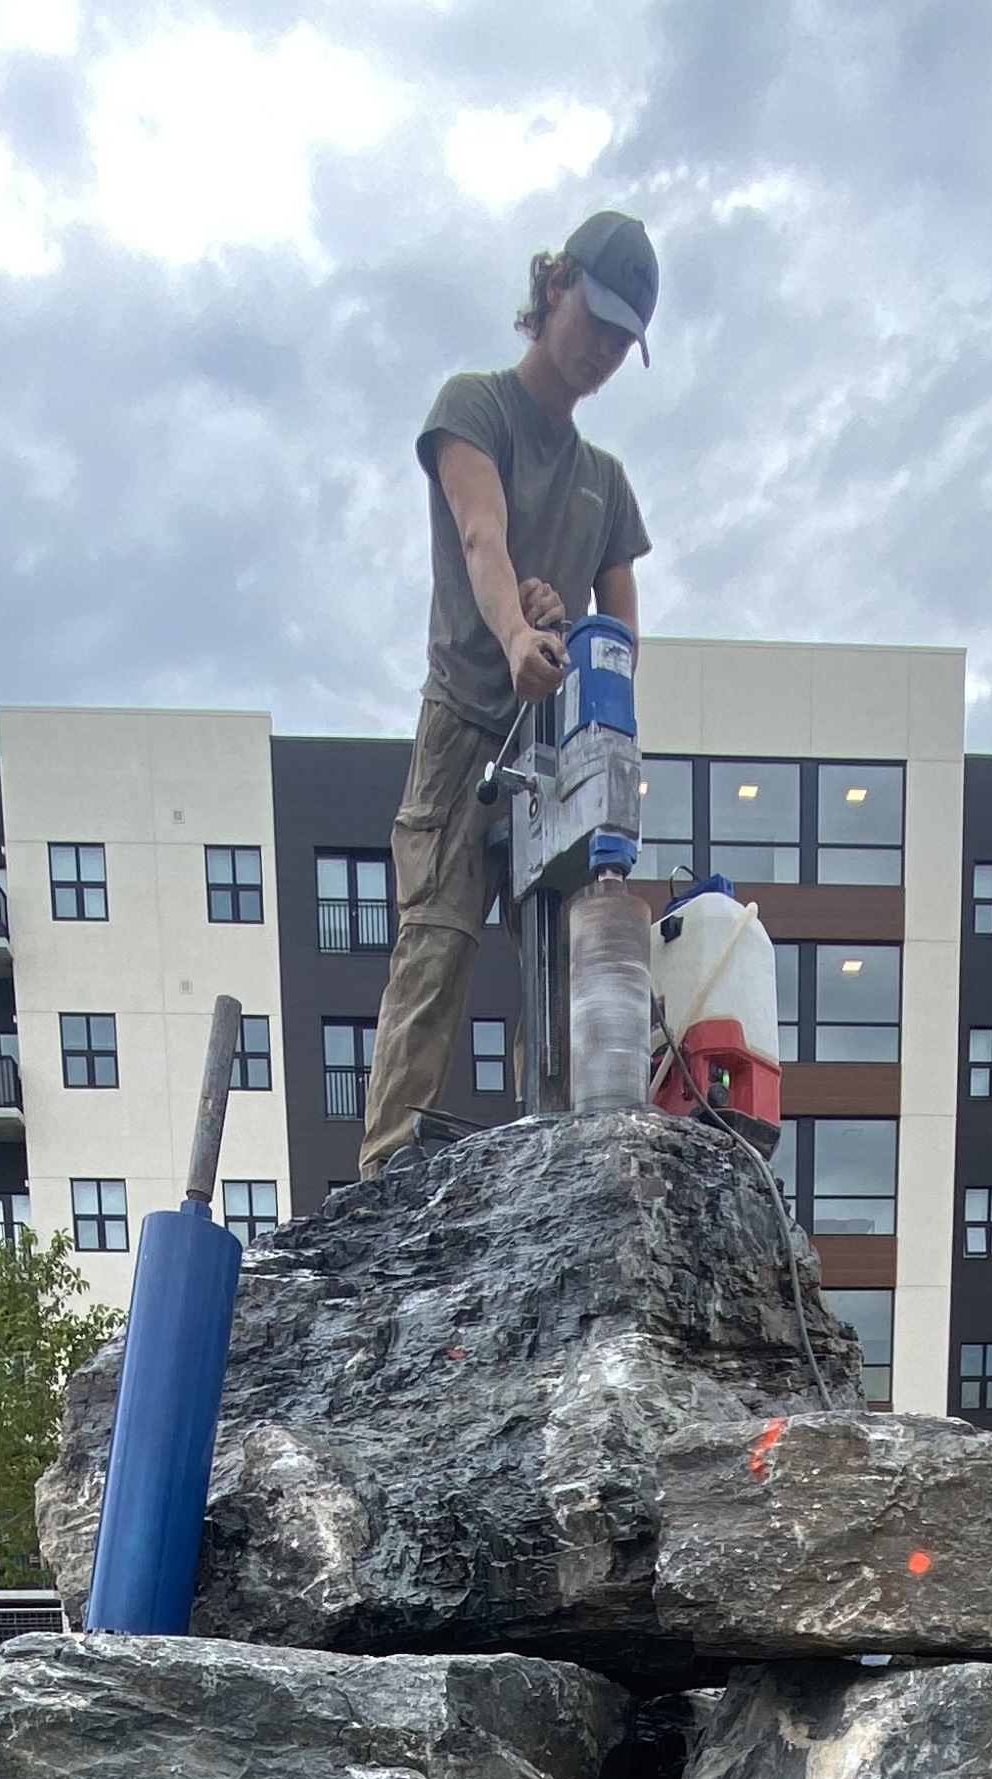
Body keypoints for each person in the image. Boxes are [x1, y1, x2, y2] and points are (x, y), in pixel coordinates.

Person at [357, 212, 657, 1178]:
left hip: (555, 746)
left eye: (624, 338)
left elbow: (622, 641)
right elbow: (481, 537)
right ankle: (386, 1174)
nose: (604, 350)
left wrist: (562, 633)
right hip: (466, 729)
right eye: (599, 320)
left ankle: (564, 1168)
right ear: (554, 284)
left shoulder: (605, 484)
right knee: (436, 946)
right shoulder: (474, 407)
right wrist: (518, 631)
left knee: (565, 969)